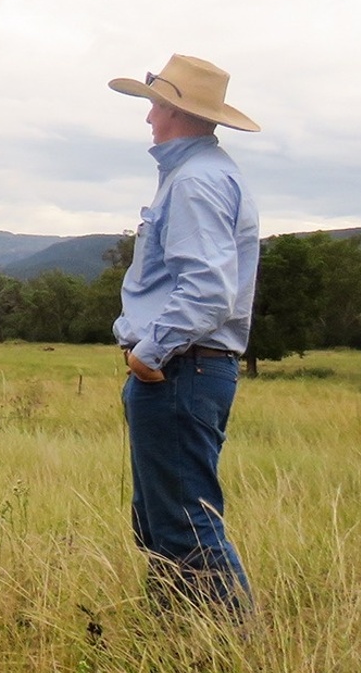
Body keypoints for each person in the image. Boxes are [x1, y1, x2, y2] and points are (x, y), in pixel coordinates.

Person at [108, 53, 259, 617]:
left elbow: (207, 289)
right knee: (164, 521)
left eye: (154, 105)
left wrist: (150, 353)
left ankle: (230, 645)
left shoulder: (195, 181)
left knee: (183, 521)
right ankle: (179, 639)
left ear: (174, 109)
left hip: (181, 367)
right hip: (188, 366)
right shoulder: (200, 174)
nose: (148, 117)